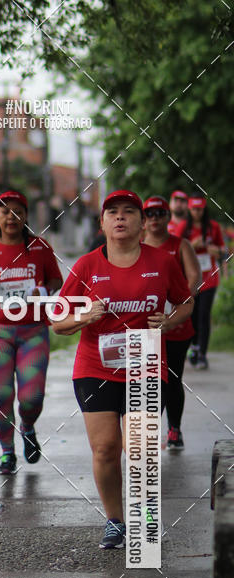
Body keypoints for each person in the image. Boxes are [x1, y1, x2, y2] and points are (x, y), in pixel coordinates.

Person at [52, 190, 192, 550]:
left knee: (141, 448)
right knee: (105, 449)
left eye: (129, 212)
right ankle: (115, 520)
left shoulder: (162, 262)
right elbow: (58, 322)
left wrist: (169, 320)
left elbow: (186, 302)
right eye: (112, 212)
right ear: (102, 222)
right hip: (95, 367)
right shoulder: (86, 266)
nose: (120, 218)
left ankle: (145, 518)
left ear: (142, 223)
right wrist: (86, 316)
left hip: (146, 364)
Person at [0, 190, 63, 474]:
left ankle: (28, 426)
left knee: (32, 398)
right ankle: (7, 454)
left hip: (32, 331)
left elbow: (56, 279)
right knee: (1, 396)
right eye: (5, 211)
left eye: (18, 211)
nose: (11, 217)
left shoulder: (39, 247)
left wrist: (43, 291)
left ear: (26, 216)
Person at [142, 195, 201, 450]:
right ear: (143, 220)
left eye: (159, 213)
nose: (154, 218)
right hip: (146, 328)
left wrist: (177, 306)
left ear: (168, 217)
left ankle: (173, 429)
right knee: (148, 381)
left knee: (172, 379)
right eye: (149, 214)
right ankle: (147, 432)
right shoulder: (136, 245)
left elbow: (195, 277)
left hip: (175, 327)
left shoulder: (180, 245)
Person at [174, 193, 227, 370]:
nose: (197, 213)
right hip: (189, 279)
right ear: (189, 209)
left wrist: (216, 250)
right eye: (194, 209)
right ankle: (194, 348)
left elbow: (223, 250)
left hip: (209, 278)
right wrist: (191, 245)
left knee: (204, 315)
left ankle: (203, 354)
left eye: (200, 209)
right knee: (193, 315)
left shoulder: (213, 227)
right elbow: (174, 248)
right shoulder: (183, 227)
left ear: (204, 209)